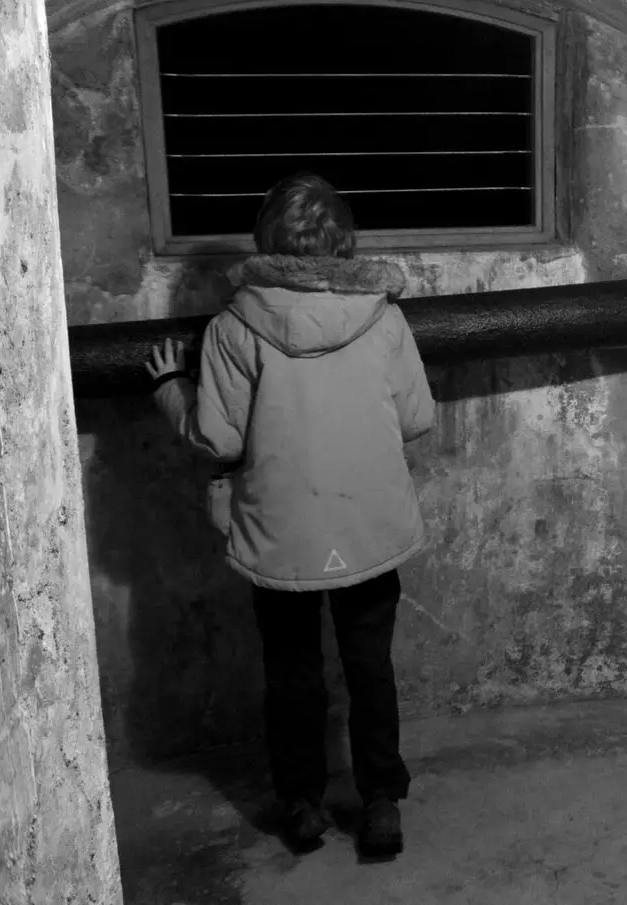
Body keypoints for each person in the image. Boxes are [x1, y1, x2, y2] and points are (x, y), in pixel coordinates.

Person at [144, 172, 434, 859]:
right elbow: (417, 417)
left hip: (281, 529)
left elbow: (221, 439)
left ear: (266, 241)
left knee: (293, 668)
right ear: (343, 243)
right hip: (368, 520)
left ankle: (302, 804)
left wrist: (168, 389)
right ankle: (382, 800)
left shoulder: (232, 328)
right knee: (369, 665)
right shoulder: (384, 316)